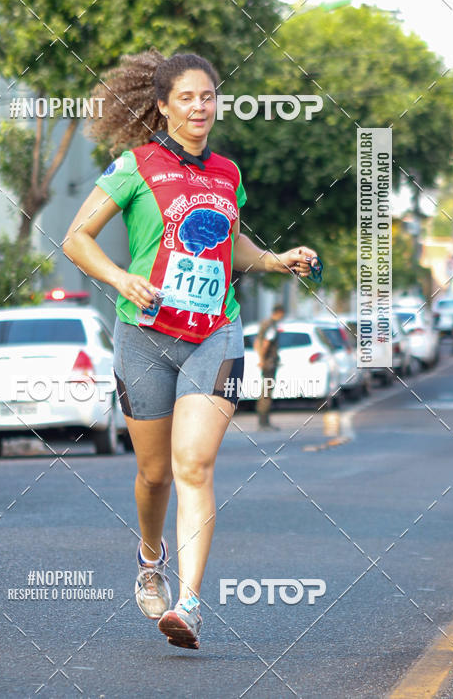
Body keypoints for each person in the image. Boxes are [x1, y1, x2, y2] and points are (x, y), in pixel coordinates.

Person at [63, 48, 317, 650]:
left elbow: (232, 246)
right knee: (154, 475)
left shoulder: (227, 172)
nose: (200, 107)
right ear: (163, 105)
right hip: (145, 337)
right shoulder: (135, 166)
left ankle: (190, 604)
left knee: (194, 466)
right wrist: (121, 278)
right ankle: (150, 558)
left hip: (215, 333)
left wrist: (276, 260)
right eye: (186, 98)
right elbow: (77, 238)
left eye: (208, 96)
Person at [254, 304, 285, 428]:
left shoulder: (265, 324)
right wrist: (262, 360)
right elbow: (266, 343)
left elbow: (257, 342)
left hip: (266, 361)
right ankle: (264, 421)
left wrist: (260, 358)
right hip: (269, 362)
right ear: (279, 312)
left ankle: (263, 420)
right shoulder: (271, 326)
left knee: (266, 390)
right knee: (267, 391)